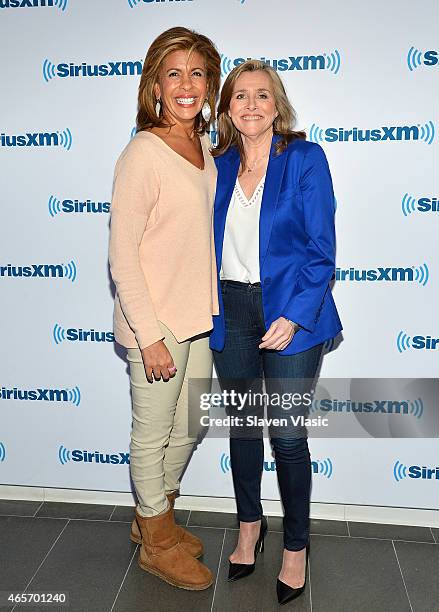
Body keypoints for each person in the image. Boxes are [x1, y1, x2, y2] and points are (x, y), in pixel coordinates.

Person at [210, 59, 342, 605]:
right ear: (227, 108)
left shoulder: (305, 159)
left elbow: (321, 250)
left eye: (262, 95)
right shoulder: (215, 165)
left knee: (286, 435)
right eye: (240, 96)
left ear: (277, 103)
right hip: (231, 309)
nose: (251, 105)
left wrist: (292, 314)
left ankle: (295, 547)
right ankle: (248, 527)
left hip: (292, 311)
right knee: (243, 427)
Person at [108, 27, 220, 591]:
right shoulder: (142, 152)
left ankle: (157, 516)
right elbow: (122, 254)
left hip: (198, 320)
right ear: (155, 83)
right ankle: (155, 540)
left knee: (189, 426)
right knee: (152, 434)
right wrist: (148, 335)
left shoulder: (203, 150)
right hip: (156, 323)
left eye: (197, 73)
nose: (186, 84)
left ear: (209, 85)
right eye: (173, 73)